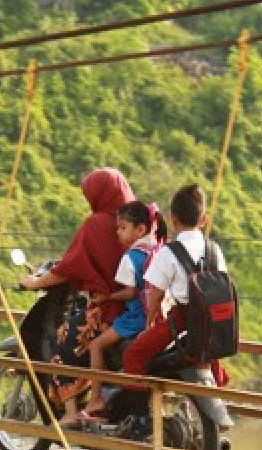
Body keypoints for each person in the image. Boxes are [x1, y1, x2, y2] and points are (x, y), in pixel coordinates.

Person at [19, 167, 135, 425]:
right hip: (141, 307)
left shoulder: (97, 224)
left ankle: (72, 413)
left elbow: (69, 267)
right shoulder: (140, 221)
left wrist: (36, 282)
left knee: (64, 342)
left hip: (108, 310)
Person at [122, 183, 229, 384]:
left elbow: (155, 296)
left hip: (182, 320)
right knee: (214, 367)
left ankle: (143, 408)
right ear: (204, 220)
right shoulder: (215, 250)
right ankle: (219, 389)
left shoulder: (169, 252)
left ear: (173, 219)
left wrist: (147, 327)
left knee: (133, 356)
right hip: (212, 326)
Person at [83, 201, 167, 419]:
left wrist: (108, 297)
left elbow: (130, 292)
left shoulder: (129, 258)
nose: (118, 233)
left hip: (135, 318)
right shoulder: (158, 250)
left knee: (95, 346)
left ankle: (95, 399)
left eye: (122, 228)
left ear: (140, 229)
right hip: (158, 317)